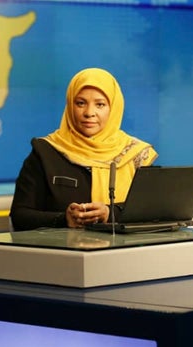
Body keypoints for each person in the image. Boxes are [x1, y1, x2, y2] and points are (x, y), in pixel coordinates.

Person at [9, 67, 158, 231]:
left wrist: (110, 213)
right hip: (64, 252)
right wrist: (63, 219)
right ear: (70, 106)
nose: (89, 113)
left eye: (100, 105)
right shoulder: (46, 151)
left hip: (124, 252)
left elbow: (153, 210)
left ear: (113, 109)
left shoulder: (135, 154)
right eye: (80, 103)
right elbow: (20, 215)